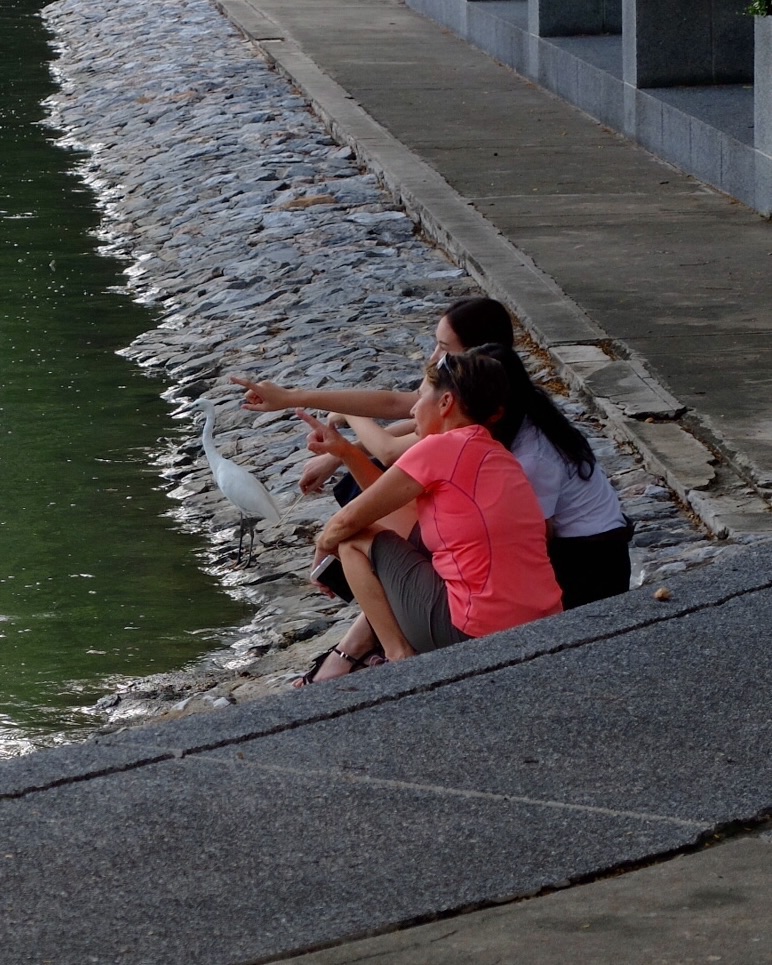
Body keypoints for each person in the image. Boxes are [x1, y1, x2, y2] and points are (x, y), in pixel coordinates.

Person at [232, 296, 633, 611]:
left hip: (584, 572)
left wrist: (342, 425)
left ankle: (381, 640)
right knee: (391, 503)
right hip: (554, 561)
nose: (433, 359)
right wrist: (308, 414)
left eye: (443, 349)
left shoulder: (528, 454)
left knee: (391, 520)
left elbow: (392, 446)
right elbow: (401, 413)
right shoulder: (497, 411)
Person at [293, 350, 562, 681]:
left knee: (351, 540)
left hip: (476, 632)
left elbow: (348, 522)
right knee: (389, 533)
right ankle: (372, 650)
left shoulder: (441, 448)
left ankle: (399, 657)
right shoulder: (495, 453)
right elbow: (393, 510)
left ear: (446, 402)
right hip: (546, 622)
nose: (413, 409)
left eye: (420, 397)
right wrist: (347, 452)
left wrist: (324, 545)